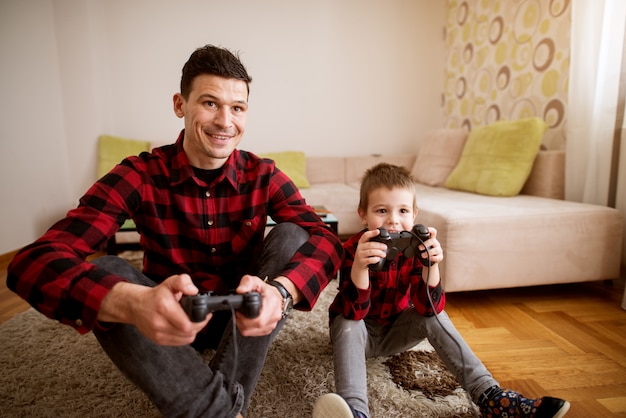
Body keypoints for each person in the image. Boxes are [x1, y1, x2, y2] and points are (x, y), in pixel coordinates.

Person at [7, 44, 343, 418]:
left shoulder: (263, 174)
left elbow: (325, 238)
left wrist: (281, 293)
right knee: (109, 273)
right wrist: (130, 302)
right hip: (166, 320)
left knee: (294, 236)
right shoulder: (139, 173)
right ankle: (222, 411)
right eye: (210, 103)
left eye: (237, 108)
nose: (225, 122)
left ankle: (213, 408)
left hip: (244, 320)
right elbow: (32, 262)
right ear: (180, 105)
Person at [312, 163, 570, 418]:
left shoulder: (415, 246)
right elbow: (353, 312)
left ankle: (490, 396)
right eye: (381, 210)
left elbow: (427, 309)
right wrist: (359, 267)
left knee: (436, 316)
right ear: (363, 215)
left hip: (396, 334)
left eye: (402, 210)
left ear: (414, 215)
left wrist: (430, 266)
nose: (393, 219)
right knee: (347, 322)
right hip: (356, 336)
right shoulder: (353, 248)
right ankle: (355, 409)